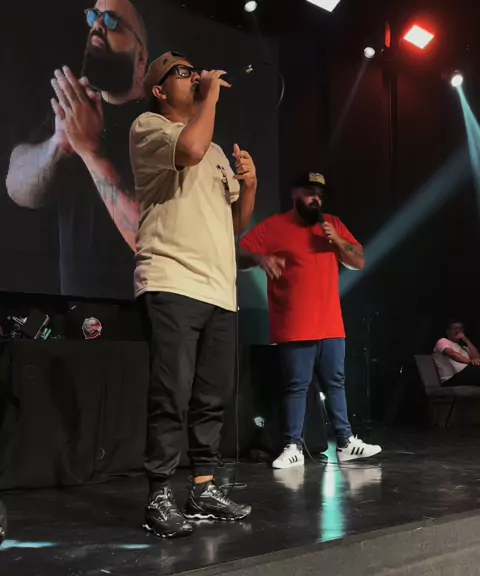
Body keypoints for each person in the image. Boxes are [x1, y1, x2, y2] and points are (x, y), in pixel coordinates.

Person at [130, 51, 258, 538]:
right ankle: (159, 493)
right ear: (159, 89)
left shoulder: (217, 149)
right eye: (182, 73)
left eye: (192, 71)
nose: (194, 76)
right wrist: (210, 99)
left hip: (219, 288)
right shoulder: (150, 126)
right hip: (171, 279)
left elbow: (234, 225)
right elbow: (190, 149)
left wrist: (250, 186)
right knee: (172, 392)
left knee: (211, 397)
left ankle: (203, 486)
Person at [6, 0, 148, 299]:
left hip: (141, 318)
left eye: (112, 21)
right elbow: (15, 188)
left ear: (140, 58)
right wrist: (57, 144)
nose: (98, 25)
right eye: (94, 16)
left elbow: (161, 242)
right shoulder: (74, 112)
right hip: (77, 315)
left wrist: (90, 151)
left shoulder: (160, 123)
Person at [239, 172, 381, 468]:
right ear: (295, 193)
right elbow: (239, 253)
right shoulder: (276, 226)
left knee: (336, 383)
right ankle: (293, 446)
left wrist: (337, 240)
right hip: (294, 325)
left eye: (319, 194)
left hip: (330, 324)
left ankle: (345, 442)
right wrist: (260, 259)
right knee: (297, 386)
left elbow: (359, 260)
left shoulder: (332, 224)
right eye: (309, 192)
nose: (315, 198)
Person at [433, 320, 480, 386]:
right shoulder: (443, 341)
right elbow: (452, 354)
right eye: (454, 328)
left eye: (460, 328)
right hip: (450, 379)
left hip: (466, 376)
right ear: (448, 331)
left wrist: (466, 340)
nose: (458, 331)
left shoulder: (464, 348)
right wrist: (470, 361)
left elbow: (477, 358)